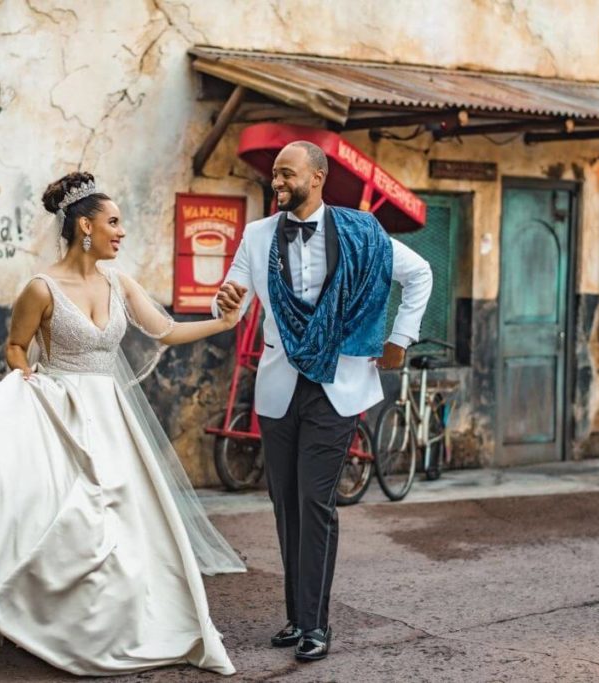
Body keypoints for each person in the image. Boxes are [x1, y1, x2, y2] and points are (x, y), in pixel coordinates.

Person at [0, 172, 248, 677]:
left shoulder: (119, 283)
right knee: (67, 519)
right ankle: (50, 619)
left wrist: (223, 321)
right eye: (114, 221)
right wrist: (28, 380)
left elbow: (165, 331)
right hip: (58, 410)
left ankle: (119, 622)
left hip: (112, 417)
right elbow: (16, 347)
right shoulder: (40, 289)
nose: (121, 231)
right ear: (85, 226)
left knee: (125, 523)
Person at [214, 141, 432, 662]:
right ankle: (297, 617)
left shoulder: (362, 232)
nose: (277, 182)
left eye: (287, 173)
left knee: (316, 501)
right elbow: (232, 293)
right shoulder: (257, 234)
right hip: (279, 385)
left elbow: (419, 273)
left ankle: (316, 624)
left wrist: (401, 339)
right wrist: (222, 297)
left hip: (338, 384)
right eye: (274, 175)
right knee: (285, 502)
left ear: (318, 177)